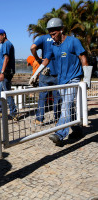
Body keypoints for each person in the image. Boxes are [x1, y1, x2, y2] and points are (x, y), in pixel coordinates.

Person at [29, 18, 92, 146]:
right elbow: (46, 60)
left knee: (65, 105)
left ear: (61, 30)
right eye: (50, 34)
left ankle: (59, 134)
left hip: (73, 78)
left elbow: (83, 58)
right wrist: (36, 74)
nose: (52, 37)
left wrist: (87, 80)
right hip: (61, 80)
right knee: (69, 107)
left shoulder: (73, 41)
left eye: (54, 34)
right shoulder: (53, 46)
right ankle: (77, 130)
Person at [30, 34, 61, 126]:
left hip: (45, 71)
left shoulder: (43, 38)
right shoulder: (61, 37)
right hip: (58, 72)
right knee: (57, 98)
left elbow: (32, 48)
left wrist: (37, 59)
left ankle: (39, 119)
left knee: (42, 97)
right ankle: (58, 118)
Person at [0, 29, 18, 120]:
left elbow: (6, 59)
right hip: (6, 73)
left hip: (6, 73)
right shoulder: (5, 44)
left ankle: (13, 113)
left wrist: (2, 72)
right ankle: (0, 111)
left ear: (4, 35)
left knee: (6, 93)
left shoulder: (6, 44)